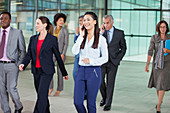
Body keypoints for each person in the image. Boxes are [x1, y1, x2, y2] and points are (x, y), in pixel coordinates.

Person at [19, 16, 68, 113]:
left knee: (41, 95)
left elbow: (58, 56)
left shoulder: (52, 39)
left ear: (44, 25)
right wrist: (23, 64)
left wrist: (64, 72)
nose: (36, 25)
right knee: (42, 95)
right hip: (36, 71)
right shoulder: (33, 39)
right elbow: (29, 54)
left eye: (38, 23)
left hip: (47, 71)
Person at [72, 12, 108, 113]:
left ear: (95, 22)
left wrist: (91, 61)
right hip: (81, 71)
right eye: (84, 20)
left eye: (88, 20)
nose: (85, 22)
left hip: (94, 72)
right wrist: (81, 36)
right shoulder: (81, 37)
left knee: (91, 104)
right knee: (77, 102)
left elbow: (105, 58)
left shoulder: (101, 39)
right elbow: (74, 51)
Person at [0, 12, 26, 113]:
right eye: (1, 19)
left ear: (10, 20)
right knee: (1, 90)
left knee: (11, 88)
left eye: (5, 18)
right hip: (0, 65)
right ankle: (6, 111)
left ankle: (18, 106)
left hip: (12, 65)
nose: (3, 20)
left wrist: (18, 63)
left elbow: (23, 50)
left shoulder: (17, 32)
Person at [99, 15, 127, 111]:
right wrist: (101, 34)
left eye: (107, 23)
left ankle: (108, 103)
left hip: (113, 62)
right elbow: (97, 44)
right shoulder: (101, 33)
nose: (105, 25)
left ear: (112, 22)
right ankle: (105, 97)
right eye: (104, 23)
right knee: (100, 81)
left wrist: (118, 59)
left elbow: (123, 48)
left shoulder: (119, 33)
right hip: (102, 61)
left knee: (110, 83)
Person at [145, 20, 170, 113]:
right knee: (157, 85)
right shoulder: (154, 38)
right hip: (156, 64)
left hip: (167, 65)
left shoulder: (169, 37)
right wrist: (147, 64)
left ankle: (158, 106)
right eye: (161, 27)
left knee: (162, 84)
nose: (162, 29)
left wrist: (168, 51)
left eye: (164, 27)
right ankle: (160, 100)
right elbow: (150, 51)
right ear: (158, 28)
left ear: (167, 28)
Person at [49, 13, 69, 96]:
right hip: (52, 53)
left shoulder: (65, 31)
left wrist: (63, 53)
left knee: (60, 72)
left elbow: (66, 43)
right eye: (60, 20)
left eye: (63, 20)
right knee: (50, 71)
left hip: (60, 54)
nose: (62, 22)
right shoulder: (52, 30)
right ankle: (50, 88)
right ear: (56, 21)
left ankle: (59, 89)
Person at [73, 15, 84, 80]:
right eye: (79, 21)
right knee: (75, 73)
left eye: (81, 20)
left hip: (85, 56)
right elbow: (75, 42)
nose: (79, 22)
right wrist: (77, 34)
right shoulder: (78, 29)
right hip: (78, 56)